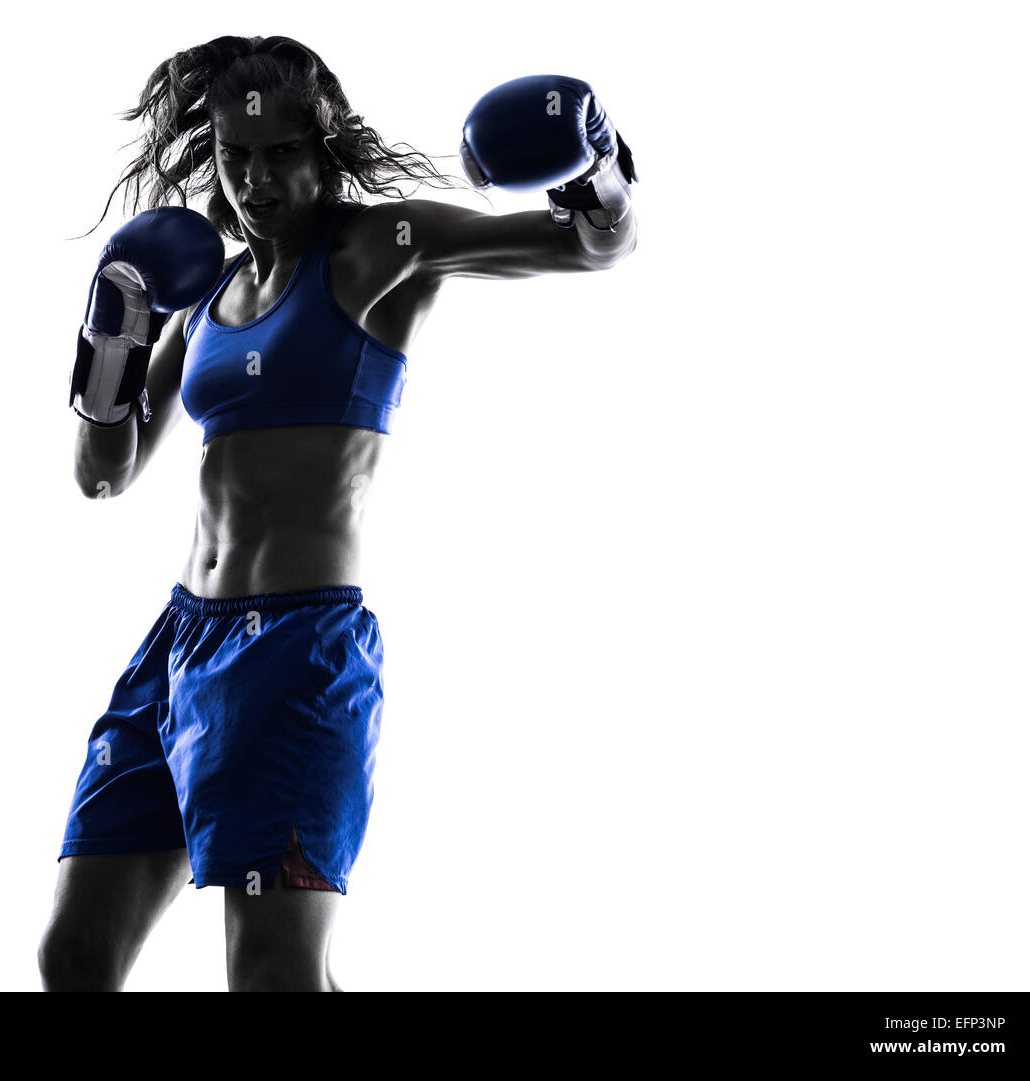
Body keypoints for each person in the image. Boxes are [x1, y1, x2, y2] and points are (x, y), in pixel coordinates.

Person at [38, 35, 638, 993]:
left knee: (275, 975)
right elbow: (101, 474)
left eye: (281, 154)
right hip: (178, 646)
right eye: (238, 159)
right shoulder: (207, 298)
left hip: (299, 652)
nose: (256, 181)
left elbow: (587, 247)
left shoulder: (379, 249)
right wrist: (112, 338)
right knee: (73, 958)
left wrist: (600, 169)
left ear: (325, 147)